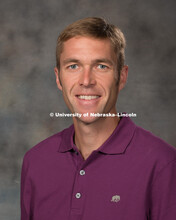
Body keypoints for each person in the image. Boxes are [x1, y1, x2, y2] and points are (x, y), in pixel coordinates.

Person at [21, 17, 176, 220]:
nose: (86, 81)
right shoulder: (36, 162)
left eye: (101, 66)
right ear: (58, 78)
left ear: (121, 76)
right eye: (73, 66)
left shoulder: (163, 164)